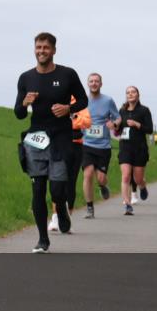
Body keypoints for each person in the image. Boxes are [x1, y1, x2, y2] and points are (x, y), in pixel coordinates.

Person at [15, 32, 88, 252]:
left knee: (57, 188)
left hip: (61, 137)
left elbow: (83, 100)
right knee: (38, 188)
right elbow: (18, 113)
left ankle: (62, 210)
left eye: (46, 48)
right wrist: (24, 103)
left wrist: (69, 108)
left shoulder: (67, 74)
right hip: (36, 138)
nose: (41, 51)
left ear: (54, 50)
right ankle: (42, 239)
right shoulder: (26, 78)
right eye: (38, 47)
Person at [80, 73, 120, 219]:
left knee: (101, 178)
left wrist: (114, 124)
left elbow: (118, 117)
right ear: (88, 84)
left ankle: (102, 186)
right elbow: (75, 117)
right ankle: (90, 208)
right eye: (91, 81)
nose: (94, 83)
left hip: (103, 146)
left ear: (101, 84)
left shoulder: (108, 100)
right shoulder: (82, 100)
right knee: (88, 174)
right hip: (87, 144)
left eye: (97, 81)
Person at [110, 86, 153, 214]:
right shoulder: (121, 111)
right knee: (126, 176)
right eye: (128, 92)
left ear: (138, 95)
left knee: (138, 178)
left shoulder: (144, 110)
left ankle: (142, 186)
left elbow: (149, 129)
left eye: (133, 92)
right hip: (125, 148)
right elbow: (118, 130)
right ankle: (127, 204)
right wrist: (114, 126)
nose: (130, 94)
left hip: (140, 148)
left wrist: (137, 124)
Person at [51, 95, 90, 230]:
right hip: (59, 144)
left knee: (71, 183)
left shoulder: (78, 102)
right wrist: (73, 119)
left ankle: (68, 220)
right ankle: (55, 218)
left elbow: (86, 122)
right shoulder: (55, 98)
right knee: (57, 181)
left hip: (76, 146)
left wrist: (70, 120)